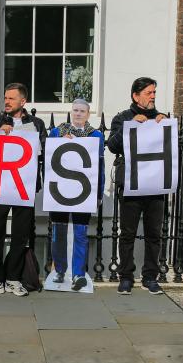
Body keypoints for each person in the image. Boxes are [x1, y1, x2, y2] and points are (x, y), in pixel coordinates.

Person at [0, 83, 47, 297]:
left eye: (12, 98)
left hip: (24, 186)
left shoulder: (36, 124)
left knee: (20, 234)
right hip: (0, 185)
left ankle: (13, 278)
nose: (7, 101)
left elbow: (45, 151)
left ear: (23, 102)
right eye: (5, 98)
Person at [107, 77, 168, 295]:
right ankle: (126, 276)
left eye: (154, 92)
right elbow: (112, 146)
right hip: (132, 183)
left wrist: (165, 124)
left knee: (154, 233)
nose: (153, 96)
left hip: (156, 184)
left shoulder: (161, 119)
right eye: (149, 92)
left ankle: (150, 276)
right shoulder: (122, 118)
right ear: (136, 95)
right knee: (128, 233)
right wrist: (130, 127)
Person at [47, 98, 104, 291]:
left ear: (88, 114)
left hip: (83, 191)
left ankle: (79, 273)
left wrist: (98, 192)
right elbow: (47, 159)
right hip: (60, 190)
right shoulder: (57, 132)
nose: (78, 114)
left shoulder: (96, 135)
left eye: (82, 111)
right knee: (58, 232)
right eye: (75, 110)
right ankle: (60, 270)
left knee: (80, 232)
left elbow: (100, 166)